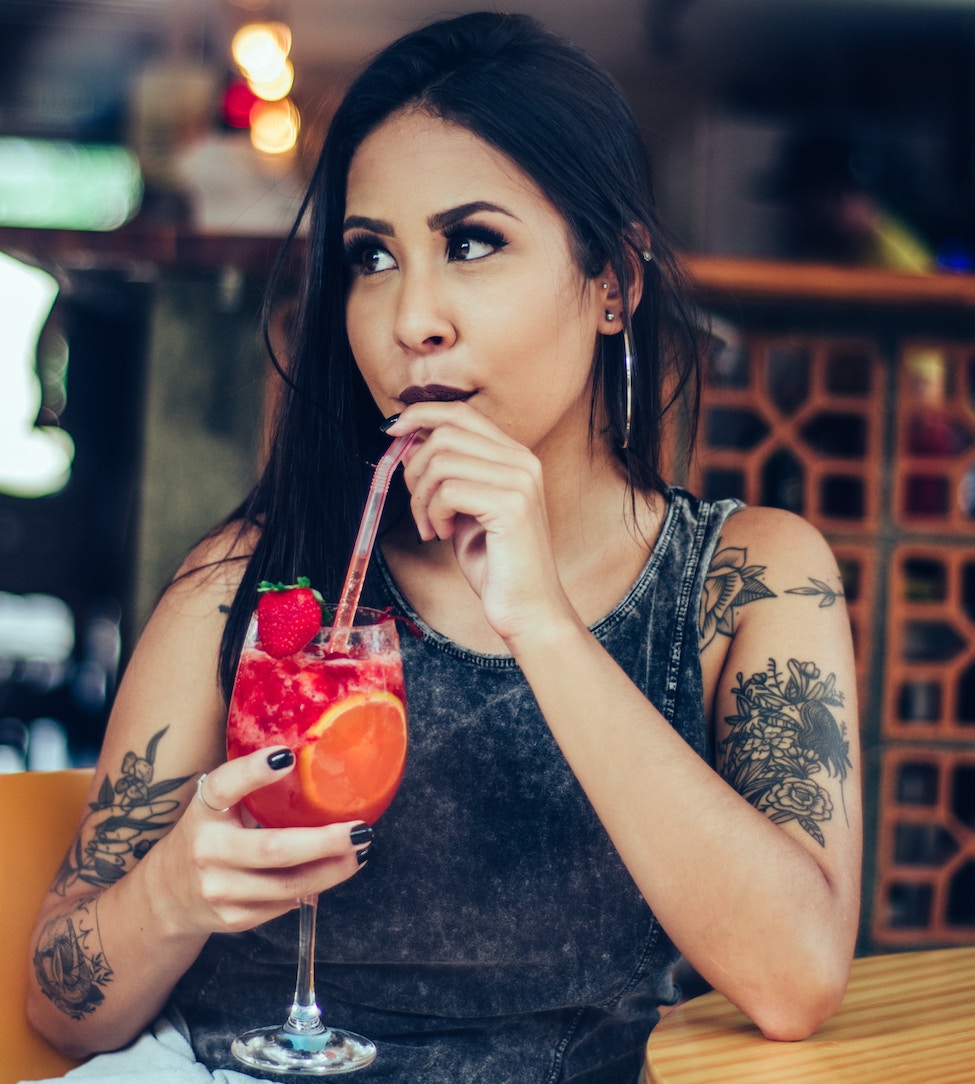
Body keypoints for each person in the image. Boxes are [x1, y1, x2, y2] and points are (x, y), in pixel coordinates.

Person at [23, 12, 862, 1084]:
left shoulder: (749, 581)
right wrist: (175, 888)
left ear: (614, 281)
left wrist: (543, 622)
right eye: (373, 257)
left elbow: (795, 979)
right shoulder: (248, 589)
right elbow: (60, 1007)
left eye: (472, 242)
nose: (411, 317)